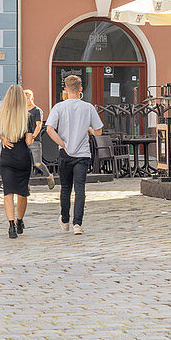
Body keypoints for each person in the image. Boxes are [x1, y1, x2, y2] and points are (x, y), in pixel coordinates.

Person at [46, 75, 102, 236]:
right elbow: (98, 131)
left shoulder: (59, 107)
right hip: (83, 154)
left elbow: (49, 129)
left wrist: (62, 143)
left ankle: (65, 220)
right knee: (80, 189)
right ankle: (77, 224)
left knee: (65, 188)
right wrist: (89, 130)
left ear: (65, 89)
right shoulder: (88, 107)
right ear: (81, 89)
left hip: (65, 153)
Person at [0, 85, 33, 239]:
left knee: (8, 192)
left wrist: (1, 137)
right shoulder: (27, 116)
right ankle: (20, 220)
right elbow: (28, 141)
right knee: (22, 192)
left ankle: (11, 226)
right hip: (22, 157)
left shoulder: (2, 114)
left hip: (7, 157)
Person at [24, 89, 56, 190]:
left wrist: (33, 136)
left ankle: (49, 176)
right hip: (24, 140)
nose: (26, 101)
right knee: (25, 163)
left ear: (32, 98)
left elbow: (39, 125)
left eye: (27, 98)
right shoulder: (22, 111)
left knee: (37, 162)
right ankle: (26, 184)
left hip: (35, 140)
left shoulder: (37, 110)